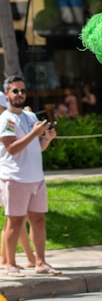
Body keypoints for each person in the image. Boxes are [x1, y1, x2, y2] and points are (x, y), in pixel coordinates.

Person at [0, 76, 59, 277]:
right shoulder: (6, 119)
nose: (20, 95)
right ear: (7, 94)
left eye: (23, 91)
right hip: (15, 178)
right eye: (15, 91)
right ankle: (9, 265)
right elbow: (12, 148)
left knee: (39, 220)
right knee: (14, 222)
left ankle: (41, 262)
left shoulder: (31, 117)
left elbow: (37, 148)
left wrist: (47, 139)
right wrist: (35, 134)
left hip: (36, 178)